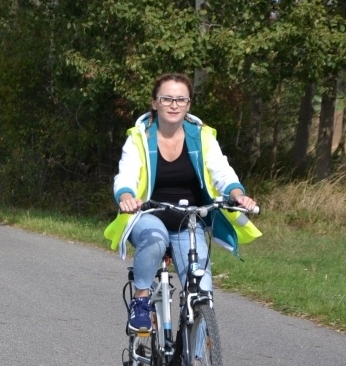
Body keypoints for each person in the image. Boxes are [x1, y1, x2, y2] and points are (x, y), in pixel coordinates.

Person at [105, 72, 261, 334]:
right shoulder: (139, 137)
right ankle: (142, 302)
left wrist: (237, 194)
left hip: (189, 219)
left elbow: (222, 172)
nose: (174, 104)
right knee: (156, 237)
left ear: (188, 104)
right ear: (155, 103)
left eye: (181, 99)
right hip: (148, 214)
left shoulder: (201, 137)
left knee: (202, 292)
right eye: (167, 99)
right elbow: (127, 173)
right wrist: (126, 197)